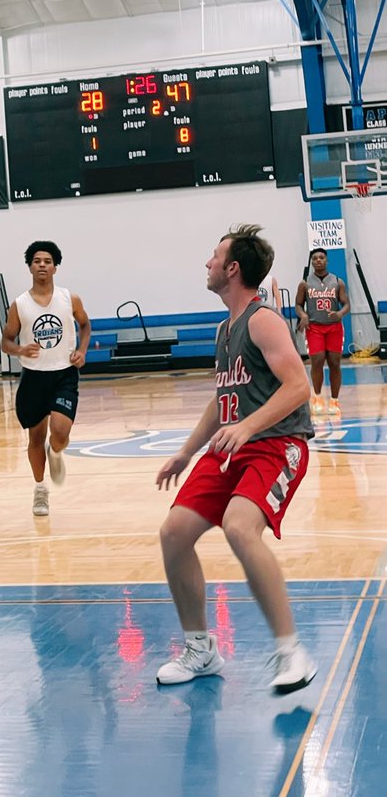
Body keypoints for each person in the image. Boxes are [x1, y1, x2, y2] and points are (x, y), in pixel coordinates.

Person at [155, 224, 316, 695]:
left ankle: (292, 653)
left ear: (233, 268)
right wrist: (186, 451)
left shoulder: (263, 320)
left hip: (276, 444)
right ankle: (201, 649)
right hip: (230, 448)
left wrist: (247, 426)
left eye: (214, 256)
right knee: (174, 533)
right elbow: (223, 397)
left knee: (239, 527)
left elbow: (298, 387)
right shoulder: (226, 328)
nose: (207, 263)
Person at [1, 241, 91, 516]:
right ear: (30, 266)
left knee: (61, 433)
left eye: (47, 261)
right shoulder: (20, 304)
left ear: (55, 267)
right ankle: (40, 490)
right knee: (35, 438)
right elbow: (6, 340)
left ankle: (57, 452)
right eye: (37, 260)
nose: (42, 265)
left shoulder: (69, 298)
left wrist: (82, 351)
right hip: (33, 378)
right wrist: (19, 349)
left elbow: (85, 325)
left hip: (64, 374)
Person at [295, 249, 350, 419]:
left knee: (334, 362)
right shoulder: (305, 283)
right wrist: (303, 315)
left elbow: (346, 304)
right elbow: (298, 305)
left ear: (326, 260)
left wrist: (340, 314)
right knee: (317, 361)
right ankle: (317, 398)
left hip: (334, 328)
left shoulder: (337, 281)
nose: (318, 261)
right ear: (312, 262)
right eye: (315, 258)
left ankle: (334, 401)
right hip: (315, 328)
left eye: (321, 258)